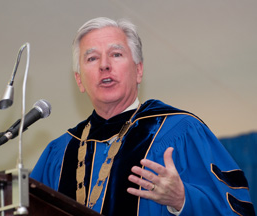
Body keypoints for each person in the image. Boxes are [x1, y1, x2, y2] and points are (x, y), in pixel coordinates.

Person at [30, 17, 255, 216]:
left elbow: (237, 210)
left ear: (138, 70)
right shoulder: (59, 153)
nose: (105, 65)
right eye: (92, 58)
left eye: (116, 54)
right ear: (79, 80)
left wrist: (182, 199)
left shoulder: (180, 131)